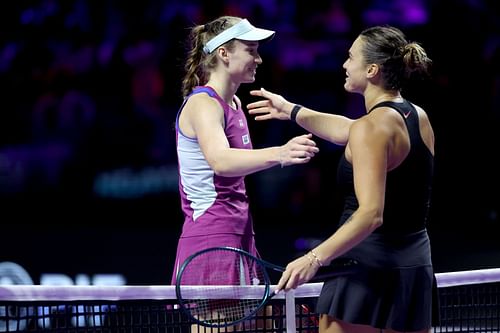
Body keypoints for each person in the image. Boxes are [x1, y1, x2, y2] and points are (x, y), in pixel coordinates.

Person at [247, 25, 439, 333]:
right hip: (413, 268)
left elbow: (371, 214)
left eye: (351, 57)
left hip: (364, 270)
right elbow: (348, 130)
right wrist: (292, 110)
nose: (344, 65)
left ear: (372, 69)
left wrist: (314, 257)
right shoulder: (417, 117)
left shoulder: (371, 128)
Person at [171, 15, 319, 287]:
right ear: (224, 53)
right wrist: (281, 153)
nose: (259, 59)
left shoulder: (235, 104)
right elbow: (221, 161)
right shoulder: (203, 103)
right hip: (211, 236)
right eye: (251, 51)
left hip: (239, 232)